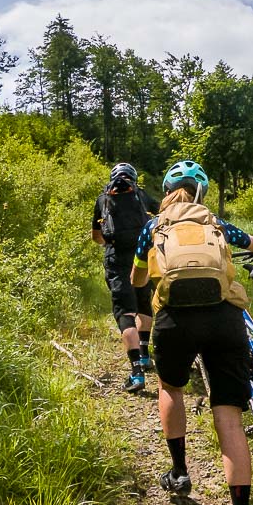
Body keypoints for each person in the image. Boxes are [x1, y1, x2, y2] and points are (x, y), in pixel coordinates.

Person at [131, 160, 253, 505]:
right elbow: (251, 243)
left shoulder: (153, 227)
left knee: (171, 388)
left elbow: (137, 277)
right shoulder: (215, 223)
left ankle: (179, 473)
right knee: (229, 416)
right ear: (200, 193)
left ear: (166, 192)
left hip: (174, 321)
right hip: (224, 317)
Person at [91, 162, 160, 391]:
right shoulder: (141, 195)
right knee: (143, 303)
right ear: (134, 178)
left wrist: (110, 244)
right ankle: (145, 354)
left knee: (125, 312)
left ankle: (137, 373)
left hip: (116, 259)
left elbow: (96, 236)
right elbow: (161, 216)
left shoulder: (103, 199)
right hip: (142, 256)